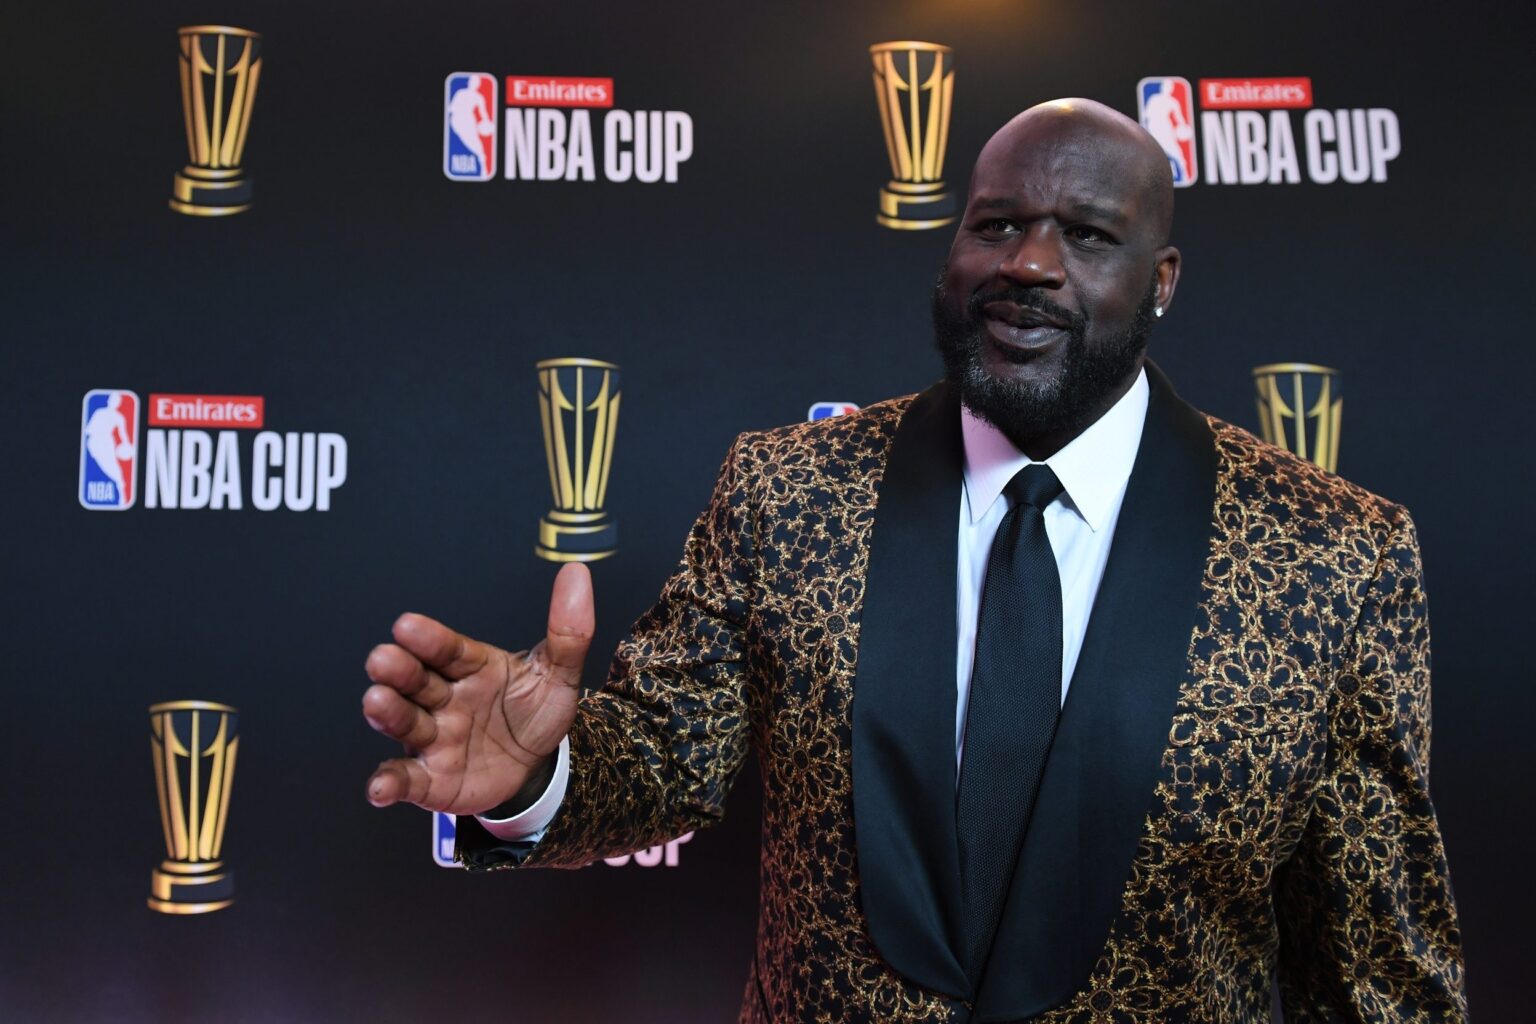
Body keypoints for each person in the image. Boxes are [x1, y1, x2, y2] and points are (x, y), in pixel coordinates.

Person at [361, 99, 1467, 1022]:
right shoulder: (789, 489)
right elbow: (666, 757)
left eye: (1085, 235)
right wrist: (539, 779)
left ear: (1162, 277)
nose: (1028, 264)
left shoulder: (1334, 553)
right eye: (996, 225)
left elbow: (1377, 970)